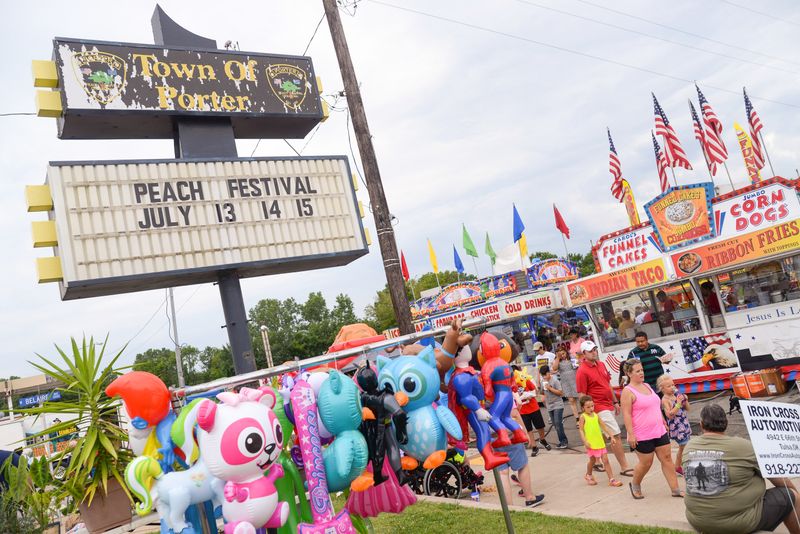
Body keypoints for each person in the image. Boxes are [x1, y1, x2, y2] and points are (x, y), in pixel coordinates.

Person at [684, 404, 799, 534]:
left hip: (698, 521)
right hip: (737, 523)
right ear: (726, 423)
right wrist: (796, 494)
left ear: (701, 424)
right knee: (791, 496)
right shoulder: (744, 446)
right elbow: (776, 476)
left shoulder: (689, 446)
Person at [620, 360, 682, 499]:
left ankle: (675, 489)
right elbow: (627, 414)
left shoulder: (647, 386)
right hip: (641, 434)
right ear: (629, 373)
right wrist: (630, 434)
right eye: (637, 371)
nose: (641, 373)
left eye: (642, 370)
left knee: (667, 458)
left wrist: (662, 420)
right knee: (646, 463)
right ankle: (635, 484)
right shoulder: (627, 391)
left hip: (658, 430)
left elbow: (655, 405)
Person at [575, 340, 633, 477]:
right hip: (597, 406)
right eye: (591, 351)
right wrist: (585, 413)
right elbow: (582, 394)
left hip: (608, 404)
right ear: (584, 353)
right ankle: (624, 467)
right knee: (615, 435)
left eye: (595, 349)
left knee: (599, 435)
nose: (594, 352)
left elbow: (607, 384)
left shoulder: (601, 364)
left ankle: (594, 462)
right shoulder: (582, 371)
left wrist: (615, 401)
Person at [578, 395, 623, 487]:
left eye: (592, 406)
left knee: (605, 460)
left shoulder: (596, 415)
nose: (591, 408)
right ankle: (589, 475)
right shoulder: (583, 417)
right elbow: (581, 430)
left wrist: (611, 436)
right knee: (592, 461)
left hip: (600, 442)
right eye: (588, 407)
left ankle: (612, 480)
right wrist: (585, 441)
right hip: (591, 443)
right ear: (583, 408)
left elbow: (604, 426)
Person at [512, 366, 550, 456]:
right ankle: (534, 446)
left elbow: (534, 391)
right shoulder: (511, 385)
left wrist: (530, 395)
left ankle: (542, 439)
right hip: (522, 410)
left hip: (533, 407)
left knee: (540, 426)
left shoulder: (526, 379)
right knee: (529, 429)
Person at [658, 375, 691, 476]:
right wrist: (678, 403)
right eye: (669, 386)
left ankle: (678, 467)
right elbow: (670, 415)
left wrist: (685, 400)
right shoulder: (665, 400)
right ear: (662, 389)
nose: (672, 387)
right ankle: (679, 466)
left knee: (683, 447)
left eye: (673, 385)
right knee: (684, 447)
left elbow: (688, 408)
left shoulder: (676, 396)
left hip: (684, 423)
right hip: (677, 427)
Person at [496, 442, 545, 508]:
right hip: (510, 436)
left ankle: (508, 507)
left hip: (492, 439)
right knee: (522, 466)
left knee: (502, 473)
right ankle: (530, 498)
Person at [540, 365, 567, 449]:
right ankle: (561, 441)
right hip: (549, 406)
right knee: (555, 424)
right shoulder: (542, 382)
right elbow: (541, 392)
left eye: (545, 375)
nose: (544, 377)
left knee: (558, 423)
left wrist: (550, 388)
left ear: (549, 373)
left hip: (558, 404)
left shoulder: (555, 381)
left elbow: (561, 393)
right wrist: (542, 396)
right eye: (543, 375)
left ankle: (564, 442)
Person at [553, 347, 580, 425]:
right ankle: (577, 418)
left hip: (575, 380)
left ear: (566, 352)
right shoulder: (557, 361)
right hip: (565, 383)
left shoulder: (572, 358)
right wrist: (558, 358)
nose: (562, 355)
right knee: (571, 401)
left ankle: (585, 416)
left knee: (580, 398)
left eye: (563, 353)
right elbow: (554, 368)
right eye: (560, 354)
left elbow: (578, 365)